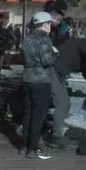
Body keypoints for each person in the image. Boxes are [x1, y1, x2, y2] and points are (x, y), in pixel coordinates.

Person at [19, 11, 58, 160]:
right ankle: (32, 149)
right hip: (41, 81)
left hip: (27, 79)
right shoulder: (45, 40)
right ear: (45, 24)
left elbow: (22, 58)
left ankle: (24, 146)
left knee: (28, 114)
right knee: (39, 115)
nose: (50, 27)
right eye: (49, 24)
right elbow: (47, 61)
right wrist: (56, 54)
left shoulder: (27, 39)